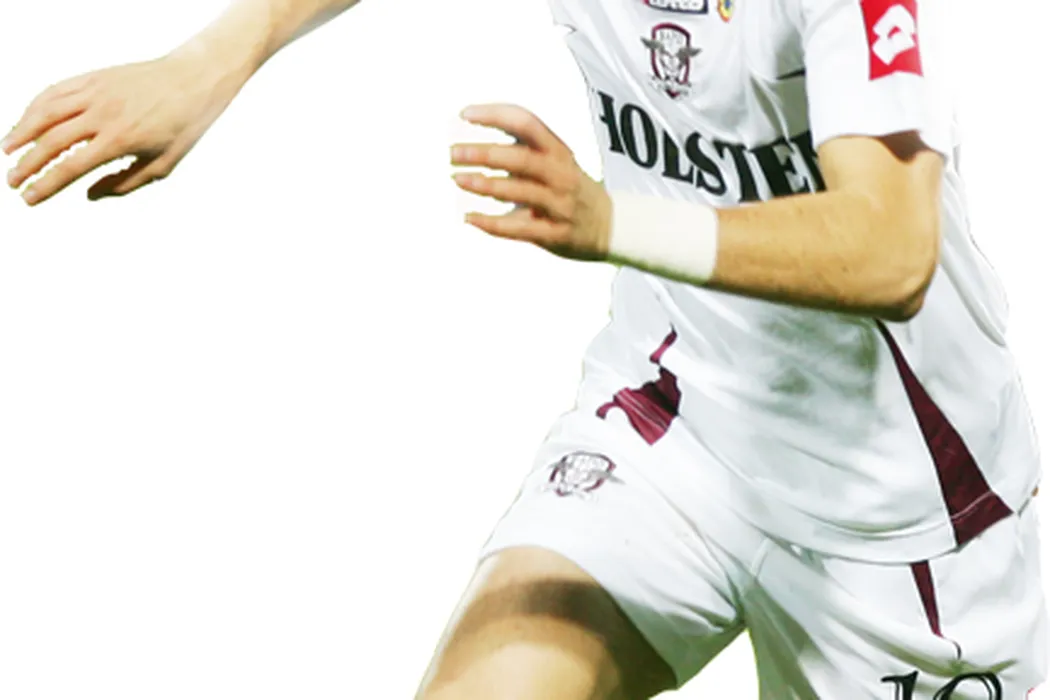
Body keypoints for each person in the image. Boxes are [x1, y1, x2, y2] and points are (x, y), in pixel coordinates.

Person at [4, 0, 1046, 697]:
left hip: (901, 510)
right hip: (677, 424)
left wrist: (611, 222)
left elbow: (890, 248)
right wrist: (211, 60)